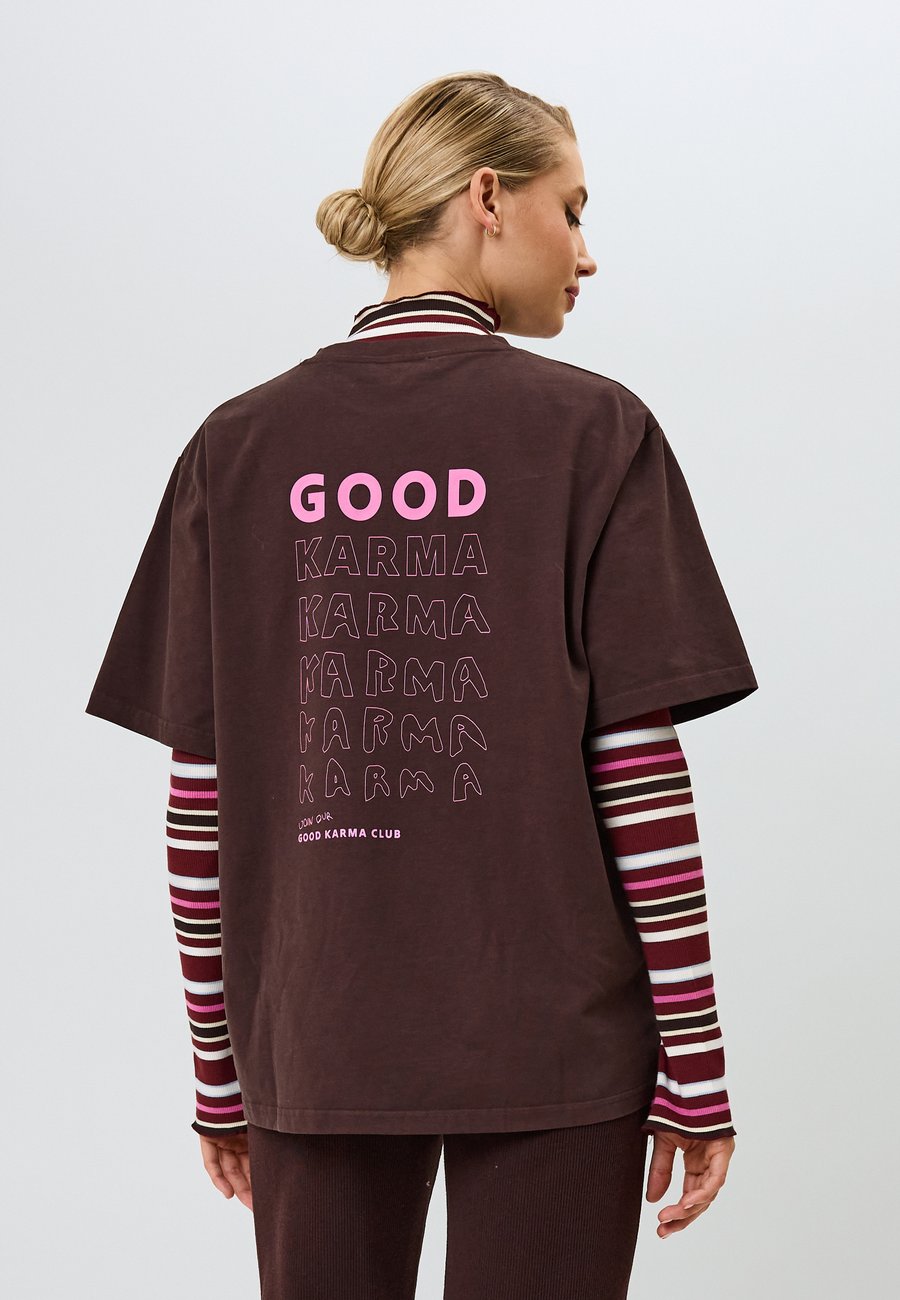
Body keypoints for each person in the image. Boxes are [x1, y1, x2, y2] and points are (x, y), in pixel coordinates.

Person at [85, 70, 758, 1299]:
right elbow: (640, 777)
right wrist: (698, 1066)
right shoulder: (593, 431)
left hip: (315, 1035)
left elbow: (200, 805)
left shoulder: (237, 448)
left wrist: (221, 1071)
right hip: (557, 1041)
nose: (587, 254)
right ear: (488, 197)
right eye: (573, 208)